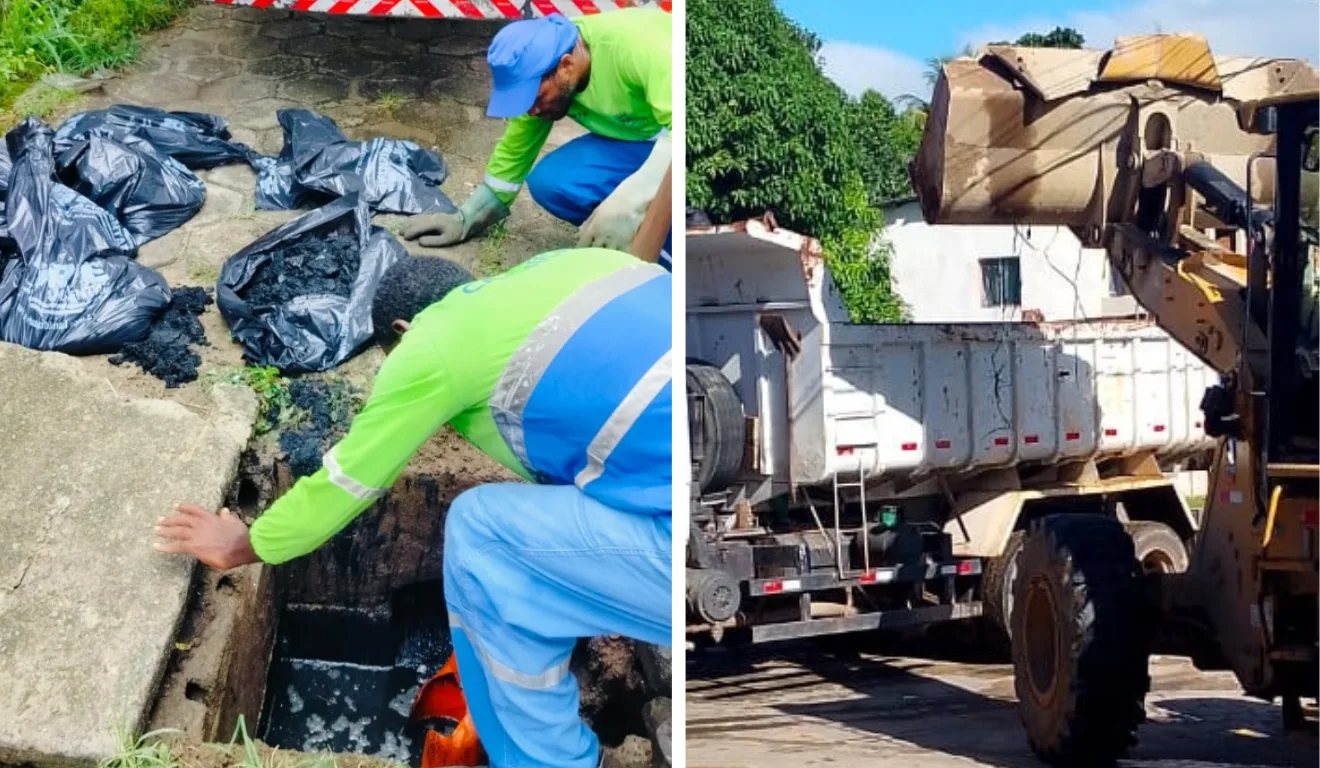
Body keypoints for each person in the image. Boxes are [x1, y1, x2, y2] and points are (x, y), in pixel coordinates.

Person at [154, 249, 672, 768]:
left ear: (403, 330)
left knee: (480, 532)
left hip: (678, 545)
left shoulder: (436, 345)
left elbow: (347, 481)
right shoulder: (565, 268)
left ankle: (547, 760)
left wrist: (244, 544)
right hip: (680, 506)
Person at [399, 9, 673, 268]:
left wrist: (631, 202)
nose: (532, 111)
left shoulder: (641, 50)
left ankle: (664, 254)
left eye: (537, 99)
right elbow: (514, 154)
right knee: (552, 182)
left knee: (639, 208)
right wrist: (467, 217)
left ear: (566, 66)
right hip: (639, 141)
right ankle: (623, 235)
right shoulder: (544, 76)